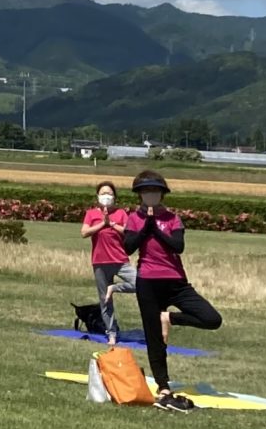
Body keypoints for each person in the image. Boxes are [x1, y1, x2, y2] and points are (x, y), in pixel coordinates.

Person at [123, 170, 221, 397]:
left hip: (176, 281)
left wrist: (156, 228)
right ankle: (163, 384)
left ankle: (169, 317)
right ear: (139, 195)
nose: (151, 195)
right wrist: (145, 227)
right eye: (146, 191)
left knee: (211, 319)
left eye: (155, 191)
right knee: (154, 336)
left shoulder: (172, 218)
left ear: (162, 194)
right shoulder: (133, 219)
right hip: (148, 281)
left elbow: (178, 246)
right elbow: (128, 248)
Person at [80, 179, 130, 343]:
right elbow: (84, 233)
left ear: (115, 197)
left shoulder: (121, 213)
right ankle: (111, 332)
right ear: (97, 197)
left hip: (120, 260)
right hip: (100, 261)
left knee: (140, 282)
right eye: (103, 194)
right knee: (105, 300)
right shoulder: (91, 213)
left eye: (109, 193)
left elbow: (129, 233)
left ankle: (114, 288)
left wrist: (113, 224)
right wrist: (103, 223)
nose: (106, 196)